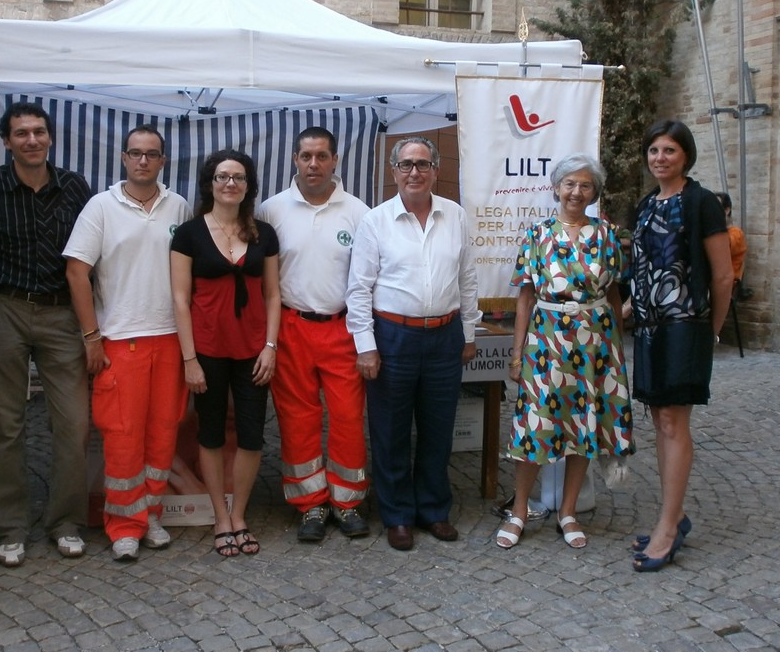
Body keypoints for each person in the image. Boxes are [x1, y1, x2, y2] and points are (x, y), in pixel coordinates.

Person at [0, 102, 92, 567]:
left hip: (60, 314)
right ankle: (10, 527)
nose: (31, 140)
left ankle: (65, 521)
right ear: (6, 140)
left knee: (73, 424)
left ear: (50, 137)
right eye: (21, 133)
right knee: (6, 423)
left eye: (38, 131)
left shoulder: (74, 186)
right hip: (4, 308)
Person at [346, 136, 480, 552]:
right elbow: (359, 289)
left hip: (444, 336)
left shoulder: (455, 216)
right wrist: (365, 345)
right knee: (390, 430)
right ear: (394, 172)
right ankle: (398, 514)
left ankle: (434, 509)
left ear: (436, 171)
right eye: (406, 165)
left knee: (439, 428)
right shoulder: (375, 221)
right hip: (393, 337)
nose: (414, 172)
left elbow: (467, 279)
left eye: (422, 164)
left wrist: (469, 332)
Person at [64, 125, 191, 561]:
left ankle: (149, 513)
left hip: (170, 339)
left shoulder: (179, 207)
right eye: (135, 153)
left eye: (151, 154)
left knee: (162, 433)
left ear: (162, 161)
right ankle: (122, 525)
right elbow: (77, 272)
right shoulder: (101, 207)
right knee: (122, 435)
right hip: (122, 339)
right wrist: (91, 336)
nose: (143, 161)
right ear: (123, 158)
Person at [495, 154, 634, 551]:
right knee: (534, 427)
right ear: (556, 188)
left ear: (595, 192)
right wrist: (517, 353)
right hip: (546, 341)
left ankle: (568, 511)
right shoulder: (538, 234)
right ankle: (520, 510)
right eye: (569, 184)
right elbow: (524, 297)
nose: (576, 192)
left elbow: (613, 294)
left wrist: (618, 353)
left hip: (596, 345)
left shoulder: (607, 235)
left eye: (585, 185)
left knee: (583, 426)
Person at [630, 119, 733, 572]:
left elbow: (724, 274)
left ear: (685, 156)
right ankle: (674, 515)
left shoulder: (701, 202)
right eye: (654, 151)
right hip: (650, 329)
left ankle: (668, 528)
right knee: (659, 419)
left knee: (674, 421)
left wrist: (712, 331)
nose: (660, 158)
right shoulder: (646, 205)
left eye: (669, 150)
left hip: (686, 327)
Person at [260, 127, 371, 543]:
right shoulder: (272, 210)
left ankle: (347, 502)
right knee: (297, 420)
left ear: (335, 161)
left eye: (321, 156)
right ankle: (311, 505)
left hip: (341, 328)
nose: (313, 164)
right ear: (294, 158)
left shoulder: (359, 212)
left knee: (346, 418)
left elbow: (365, 281)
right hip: (290, 327)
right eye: (306, 156)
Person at [170, 149, 281, 557]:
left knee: (252, 435)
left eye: (238, 177)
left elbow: (273, 295)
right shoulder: (189, 234)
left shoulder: (263, 233)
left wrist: (271, 346)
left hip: (253, 350)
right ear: (210, 184)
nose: (230, 183)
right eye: (222, 177)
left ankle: (240, 515)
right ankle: (220, 516)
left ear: (248, 185)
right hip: (208, 350)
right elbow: (180, 299)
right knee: (211, 433)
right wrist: (189, 359)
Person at [715, 192, 748, 285]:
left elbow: (723, 247)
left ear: (727, 210)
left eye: (715, 209)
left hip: (728, 287)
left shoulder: (736, 233)